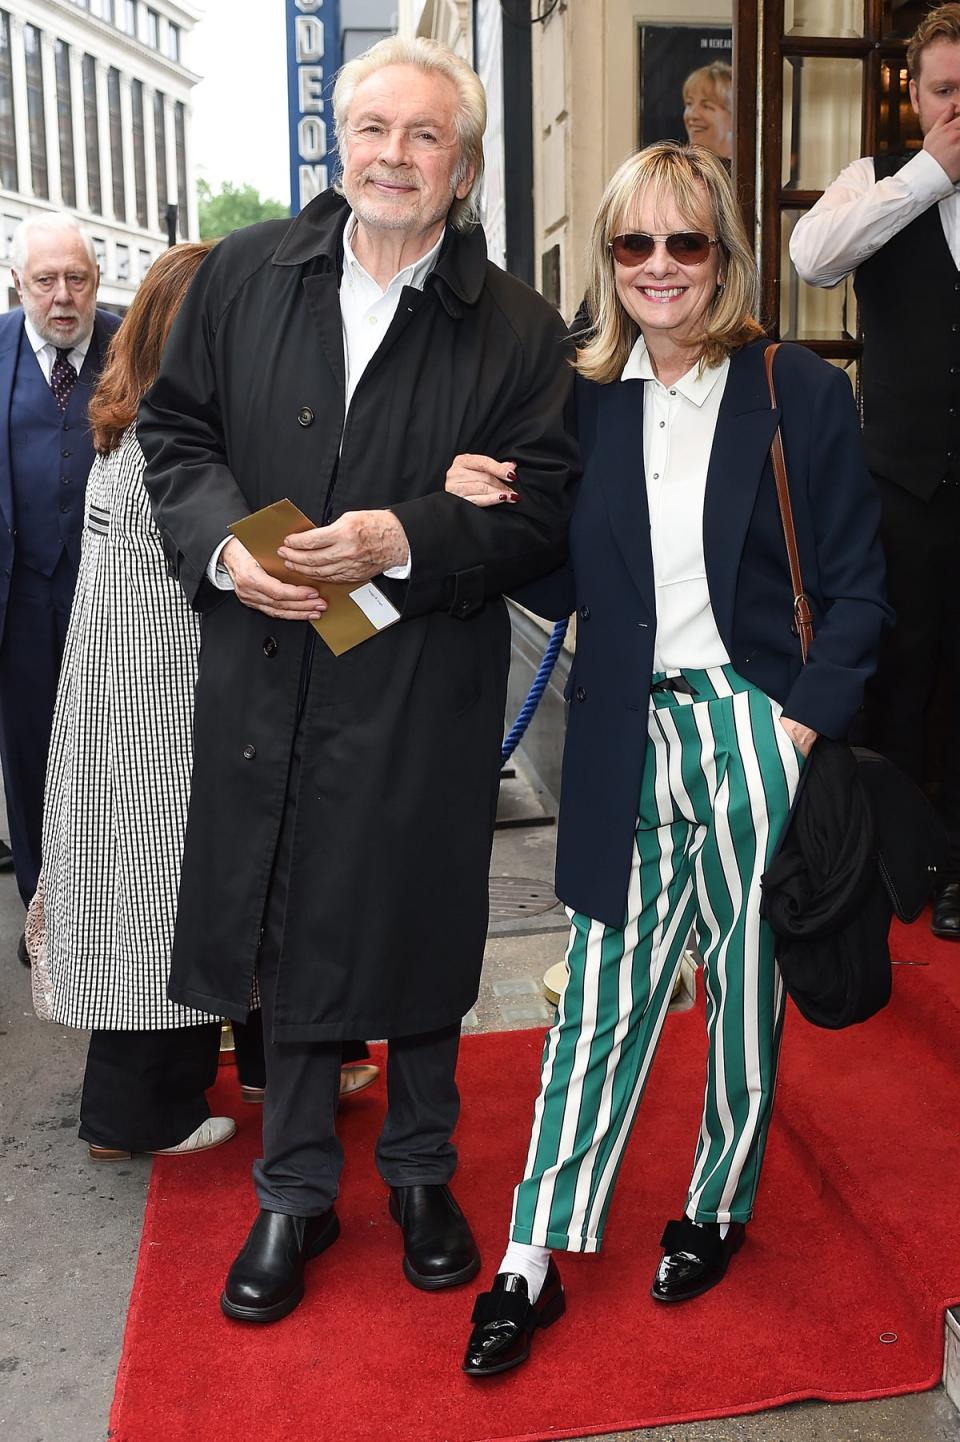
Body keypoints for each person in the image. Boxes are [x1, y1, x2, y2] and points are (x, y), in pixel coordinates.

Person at [137, 35, 578, 1325]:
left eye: (424, 136)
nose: (394, 155)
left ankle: (423, 1176)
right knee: (286, 921)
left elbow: (543, 511)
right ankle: (293, 1187)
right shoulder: (241, 277)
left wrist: (409, 533)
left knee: (422, 922)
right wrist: (223, 544)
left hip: (420, 676)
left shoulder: (516, 325)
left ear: (465, 166)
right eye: (374, 128)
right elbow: (177, 436)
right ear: (342, 140)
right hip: (268, 668)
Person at [450, 141, 888, 1377]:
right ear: (608, 260)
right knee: (600, 993)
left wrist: (799, 724)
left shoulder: (796, 388)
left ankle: (716, 1206)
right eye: (632, 245)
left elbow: (857, 586)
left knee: (747, 993)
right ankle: (532, 1254)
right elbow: (570, 572)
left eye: (683, 243)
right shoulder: (588, 397)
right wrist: (491, 507)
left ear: (724, 255)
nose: (658, 267)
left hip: (754, 725)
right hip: (623, 732)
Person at [34, 244, 380, 1162]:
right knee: (177, 914)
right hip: (178, 730)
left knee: (173, 906)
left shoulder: (130, 429)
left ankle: (270, 1061)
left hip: (126, 722)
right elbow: (324, 590)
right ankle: (140, 1115)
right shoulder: (201, 456)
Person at [790, 2, 960, 941]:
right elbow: (812, 260)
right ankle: (901, 855)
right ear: (913, 89)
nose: (957, 108)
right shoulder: (877, 179)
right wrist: (931, 174)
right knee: (894, 674)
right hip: (897, 483)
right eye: (943, 91)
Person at [0, 213, 120, 964]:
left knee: (112, 753)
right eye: (46, 280)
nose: (63, 295)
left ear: (95, 281)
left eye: (76, 277)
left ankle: (111, 908)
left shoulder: (136, 346)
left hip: (113, 601)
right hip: (20, 600)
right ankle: (46, 915)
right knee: (31, 754)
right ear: (20, 284)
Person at [682, 61, 733, 162]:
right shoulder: (680, 168)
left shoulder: (747, 172)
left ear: (734, 116)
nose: (692, 115)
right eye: (689, 103)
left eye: (706, 106)